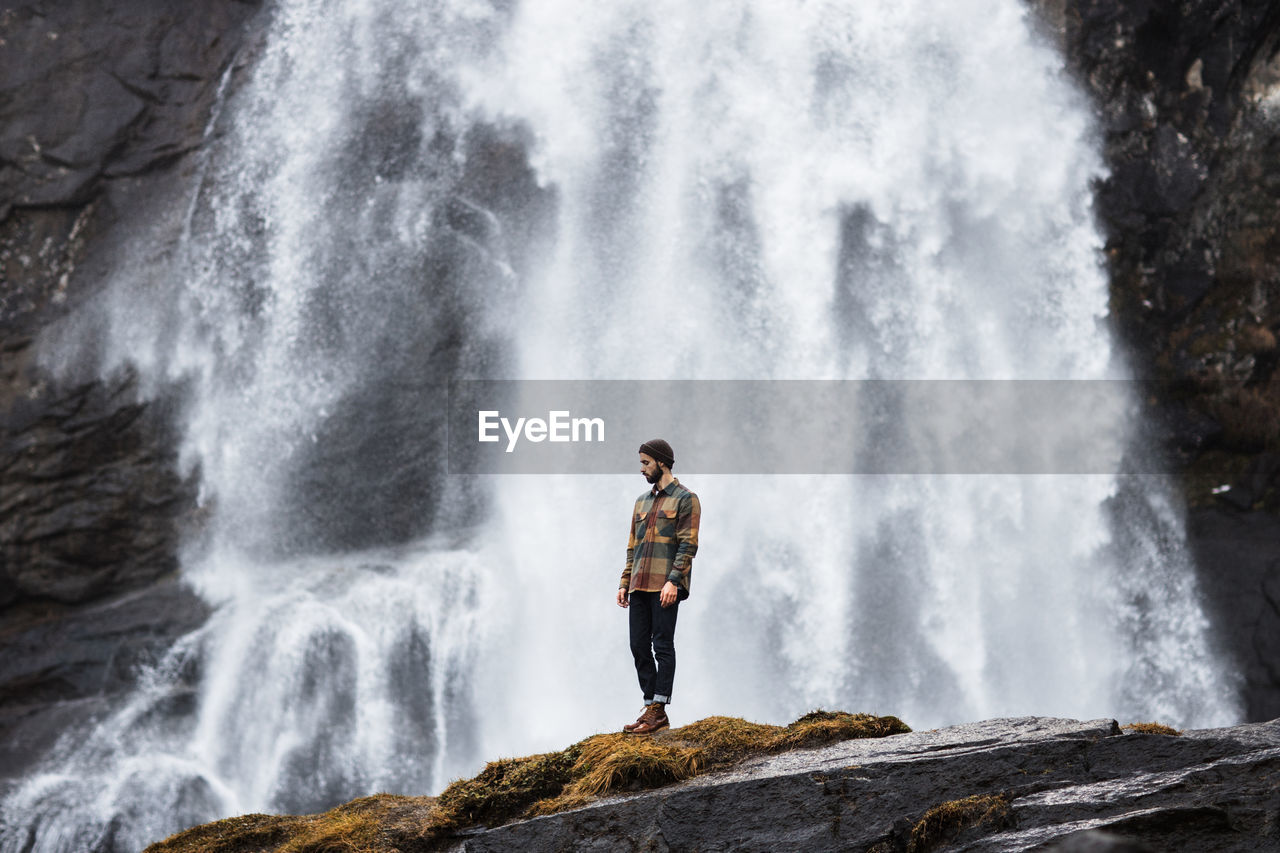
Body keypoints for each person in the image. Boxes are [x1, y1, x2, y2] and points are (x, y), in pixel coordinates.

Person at [616, 438, 700, 734]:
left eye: (645, 463)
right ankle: (650, 705)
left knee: (662, 645)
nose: (641, 469)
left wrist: (673, 581)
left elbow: (688, 546)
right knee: (638, 645)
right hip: (639, 584)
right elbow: (632, 546)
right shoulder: (641, 501)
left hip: (665, 585)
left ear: (662, 462)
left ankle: (658, 711)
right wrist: (624, 582)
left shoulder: (686, 499)